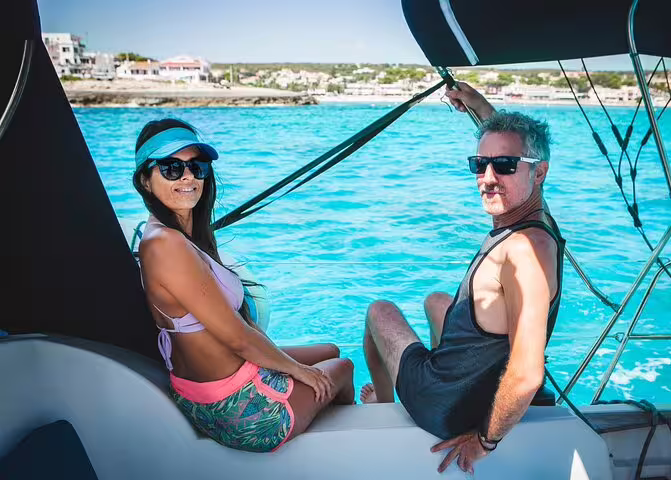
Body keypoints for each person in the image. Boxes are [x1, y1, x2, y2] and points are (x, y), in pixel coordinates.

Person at [360, 83, 565, 474]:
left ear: (539, 173)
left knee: (380, 311)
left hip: (447, 408)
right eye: (479, 164)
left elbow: (526, 372)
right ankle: (439, 370)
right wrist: (476, 103)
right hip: (480, 387)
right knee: (438, 301)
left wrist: (486, 441)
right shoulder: (540, 222)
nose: (487, 178)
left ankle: (387, 404)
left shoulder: (523, 251)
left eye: (504, 166)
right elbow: (505, 143)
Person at [133, 118, 354, 453]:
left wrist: (296, 369)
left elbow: (241, 328)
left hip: (211, 387)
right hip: (236, 408)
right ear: (146, 181)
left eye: (197, 167)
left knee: (329, 351)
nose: (188, 177)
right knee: (342, 368)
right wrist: (300, 373)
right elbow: (238, 338)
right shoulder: (166, 245)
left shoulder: (184, 236)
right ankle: (348, 450)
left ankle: (323, 412)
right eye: (171, 168)